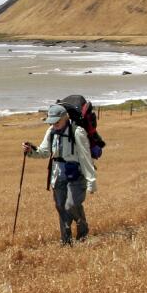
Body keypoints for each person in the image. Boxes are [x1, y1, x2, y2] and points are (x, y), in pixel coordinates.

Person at [23, 104, 97, 244]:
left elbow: (86, 158)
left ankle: (83, 230)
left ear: (65, 118)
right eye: (52, 121)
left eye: (57, 121)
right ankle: (66, 241)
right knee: (61, 207)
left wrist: (91, 181)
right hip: (57, 175)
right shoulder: (51, 131)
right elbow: (43, 152)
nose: (54, 124)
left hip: (76, 175)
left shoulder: (78, 132)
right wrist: (30, 151)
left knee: (71, 205)